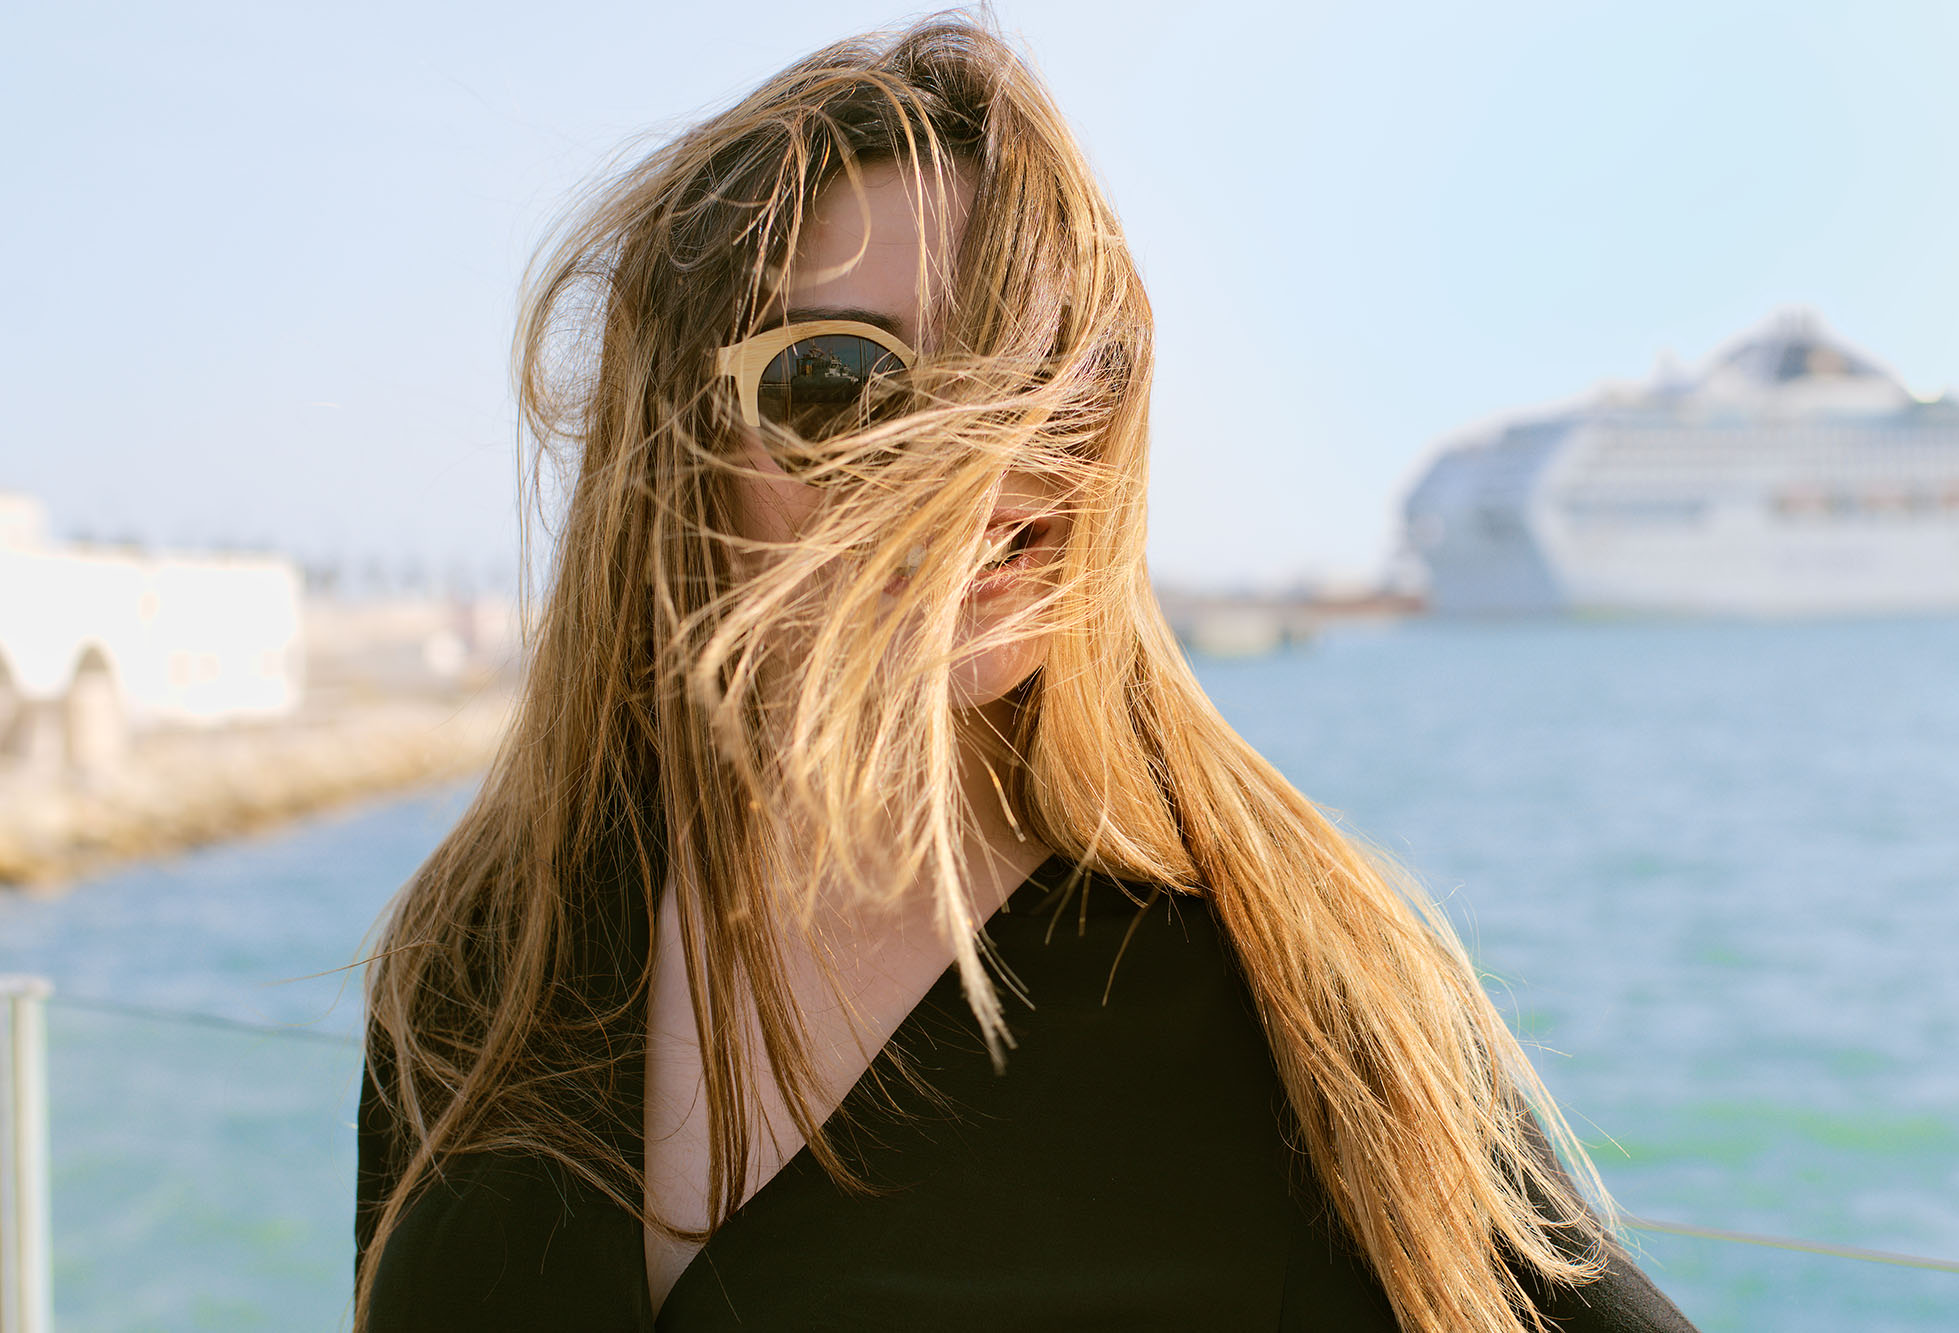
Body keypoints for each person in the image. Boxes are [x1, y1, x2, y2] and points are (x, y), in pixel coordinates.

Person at [355, 17, 1696, 1333]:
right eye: (843, 380)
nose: (984, 475)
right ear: (677, 442)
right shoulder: (485, 953)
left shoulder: (1282, 1003)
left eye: (1057, 388)